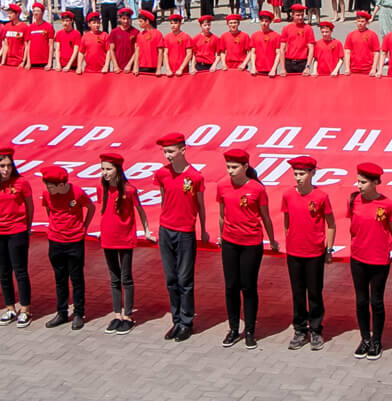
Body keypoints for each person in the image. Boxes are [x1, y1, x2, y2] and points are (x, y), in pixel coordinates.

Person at [215, 147, 278, 347]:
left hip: (251, 242)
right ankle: (233, 328)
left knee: (248, 286)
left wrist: (272, 240)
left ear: (245, 167)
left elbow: (265, 217)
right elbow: (221, 214)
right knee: (231, 286)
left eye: (234, 167)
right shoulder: (222, 186)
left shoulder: (257, 189)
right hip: (230, 242)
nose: (231, 171)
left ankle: (250, 330)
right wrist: (221, 235)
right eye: (228, 167)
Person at [153, 132, 208, 341]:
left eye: (170, 151)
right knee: (171, 278)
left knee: (185, 279)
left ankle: (186, 321)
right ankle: (176, 320)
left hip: (185, 231)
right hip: (166, 229)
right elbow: (163, 199)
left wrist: (203, 229)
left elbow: (200, 205)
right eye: (165, 152)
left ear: (182, 150)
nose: (167, 155)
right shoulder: (162, 174)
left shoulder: (195, 176)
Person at [346, 161, 392, 359]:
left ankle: (377, 340)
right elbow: (353, 227)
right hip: (358, 257)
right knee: (361, 300)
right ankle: (364, 339)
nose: (359, 186)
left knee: (376, 301)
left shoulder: (386, 204)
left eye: (363, 182)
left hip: (379, 259)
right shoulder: (354, 200)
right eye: (358, 181)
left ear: (375, 182)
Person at [280, 156, 332, 351]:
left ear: (312, 174)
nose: (298, 177)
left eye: (302, 174)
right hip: (294, 252)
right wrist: (290, 240)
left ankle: (316, 329)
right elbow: (287, 221)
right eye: (296, 174)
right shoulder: (287, 195)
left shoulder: (321, 197)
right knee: (298, 292)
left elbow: (331, 224)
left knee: (315, 292)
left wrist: (328, 249)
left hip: (314, 253)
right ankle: (300, 329)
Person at [97, 153, 148, 334]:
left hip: (125, 238)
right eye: (103, 169)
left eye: (108, 169)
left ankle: (128, 315)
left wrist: (146, 230)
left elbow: (140, 210)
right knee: (114, 277)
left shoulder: (129, 190)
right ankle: (117, 314)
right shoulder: (101, 188)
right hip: (108, 238)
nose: (105, 173)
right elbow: (103, 211)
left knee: (126, 277)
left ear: (118, 170)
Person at [0, 146, 34, 326]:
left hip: (17, 231)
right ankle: (9, 308)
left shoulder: (21, 183)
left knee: (20, 271)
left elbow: (30, 206)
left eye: (9, 165)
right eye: (2, 166)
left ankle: (25, 309)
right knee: (4, 272)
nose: (6, 169)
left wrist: (26, 227)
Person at [40, 165, 92, 328]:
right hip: (55, 241)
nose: (48, 189)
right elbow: (49, 211)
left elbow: (90, 207)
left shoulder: (77, 192)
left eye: (50, 186)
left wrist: (84, 227)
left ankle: (78, 313)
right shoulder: (47, 194)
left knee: (76, 279)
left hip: (75, 241)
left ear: (61, 185)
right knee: (59, 279)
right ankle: (61, 312)